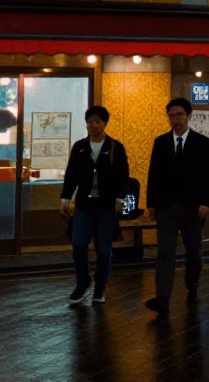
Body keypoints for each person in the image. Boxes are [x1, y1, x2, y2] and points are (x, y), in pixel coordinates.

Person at [144, 98, 209, 315]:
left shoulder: (202, 143)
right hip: (166, 208)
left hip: (193, 208)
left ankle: (192, 285)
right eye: (171, 115)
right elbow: (153, 175)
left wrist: (206, 202)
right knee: (164, 253)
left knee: (194, 252)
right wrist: (151, 204)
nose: (175, 120)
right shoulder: (161, 142)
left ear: (188, 116)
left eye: (179, 115)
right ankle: (162, 298)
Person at [61, 106, 130, 305]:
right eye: (90, 121)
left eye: (97, 121)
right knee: (79, 245)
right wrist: (65, 199)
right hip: (83, 205)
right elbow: (71, 174)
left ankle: (100, 287)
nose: (92, 125)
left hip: (106, 206)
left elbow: (122, 176)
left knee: (103, 248)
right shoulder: (79, 147)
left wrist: (120, 200)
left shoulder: (115, 147)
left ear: (105, 123)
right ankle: (83, 283)